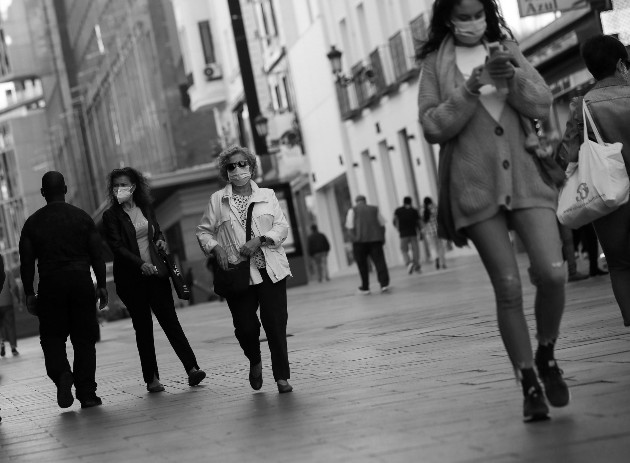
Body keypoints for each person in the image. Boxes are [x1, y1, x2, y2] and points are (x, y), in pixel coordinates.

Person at [418, 0, 568, 421]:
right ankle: (528, 383)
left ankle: (547, 354)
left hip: (526, 180)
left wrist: (513, 77)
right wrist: (470, 89)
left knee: (553, 272)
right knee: (507, 286)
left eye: (478, 14)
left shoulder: (506, 46)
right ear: (449, 18)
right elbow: (432, 125)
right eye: (463, 17)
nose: (472, 23)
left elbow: (540, 103)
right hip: (473, 190)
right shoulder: (436, 63)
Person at [197, 145, 293, 393]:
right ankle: (255, 359)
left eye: (242, 164)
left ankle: (282, 377)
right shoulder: (218, 200)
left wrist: (260, 240)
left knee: (275, 324)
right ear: (225, 171)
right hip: (237, 272)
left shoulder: (268, 195)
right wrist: (216, 248)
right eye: (232, 166)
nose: (238, 169)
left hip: (270, 268)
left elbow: (281, 227)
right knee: (246, 328)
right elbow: (203, 232)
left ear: (251, 165)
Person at [102, 167, 206, 393]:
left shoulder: (146, 208)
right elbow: (117, 247)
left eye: (124, 184)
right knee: (143, 328)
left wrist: (160, 241)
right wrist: (141, 265)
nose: (120, 188)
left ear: (134, 186)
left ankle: (192, 368)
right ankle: (152, 379)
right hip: (132, 280)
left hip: (156, 275)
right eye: (116, 185)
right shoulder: (111, 216)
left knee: (170, 321)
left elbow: (156, 232)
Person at [556, 34, 630, 327]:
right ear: (621, 64)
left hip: (609, 196)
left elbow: (566, 157)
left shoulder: (581, 107)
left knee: (620, 264)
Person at [19, 171, 108, 409]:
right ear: (65, 189)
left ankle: (61, 375)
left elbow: (26, 262)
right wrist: (101, 284)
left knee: (52, 337)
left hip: (51, 283)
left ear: (42, 193)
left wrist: (29, 292)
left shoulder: (33, 223)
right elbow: (97, 255)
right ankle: (87, 393)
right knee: (84, 340)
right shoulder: (82, 218)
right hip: (80, 280)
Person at [345, 195, 390, 295]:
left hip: (360, 242)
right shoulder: (374, 209)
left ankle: (365, 287)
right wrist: (382, 238)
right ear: (365, 201)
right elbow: (382, 225)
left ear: (356, 202)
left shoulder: (353, 210)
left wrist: (355, 239)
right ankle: (384, 284)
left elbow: (349, 227)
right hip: (375, 240)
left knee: (362, 265)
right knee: (380, 262)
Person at [393, 197, 422, 274]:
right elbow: (419, 222)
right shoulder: (414, 211)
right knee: (415, 249)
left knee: (404, 250)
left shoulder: (398, 211)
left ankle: (408, 263)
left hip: (403, 234)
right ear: (410, 202)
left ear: (404, 202)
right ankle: (416, 265)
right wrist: (420, 231)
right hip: (413, 233)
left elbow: (395, 221)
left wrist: (398, 229)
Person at [0, 254, 19, 357]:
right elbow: (14, 286)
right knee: (10, 325)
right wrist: (17, 299)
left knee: (1, 326)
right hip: (7, 303)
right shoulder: (7, 272)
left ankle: (2, 342)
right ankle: (13, 347)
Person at [422, 197, 447, 270]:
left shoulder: (424, 211)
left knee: (433, 247)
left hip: (430, 232)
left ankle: (436, 258)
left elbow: (424, 223)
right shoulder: (435, 208)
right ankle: (443, 263)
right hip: (438, 230)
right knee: (441, 247)